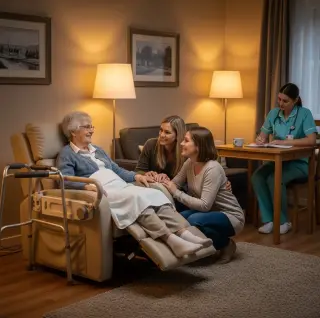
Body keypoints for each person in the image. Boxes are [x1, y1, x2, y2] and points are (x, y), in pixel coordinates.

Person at [57, 111, 213, 258]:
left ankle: (185, 234)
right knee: (137, 198)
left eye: (92, 126)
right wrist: (87, 186)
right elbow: (64, 179)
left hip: (119, 185)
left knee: (154, 194)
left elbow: (117, 170)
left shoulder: (97, 150)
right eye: (87, 127)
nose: (91, 130)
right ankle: (171, 240)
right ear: (73, 131)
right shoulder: (67, 154)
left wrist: (138, 176)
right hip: (103, 190)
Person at [162, 126, 245, 263]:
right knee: (179, 219)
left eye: (186, 141)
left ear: (198, 147)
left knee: (194, 219)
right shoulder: (190, 162)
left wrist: (176, 192)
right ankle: (202, 248)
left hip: (230, 215)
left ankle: (226, 244)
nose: (181, 143)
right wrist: (160, 182)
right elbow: (175, 183)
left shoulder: (212, 168)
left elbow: (205, 205)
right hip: (207, 212)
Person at [252, 83, 318, 235]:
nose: (281, 103)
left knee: (273, 179)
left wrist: (284, 142)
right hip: (277, 161)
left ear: (295, 101)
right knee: (257, 177)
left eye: (285, 101)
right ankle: (269, 220)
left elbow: (311, 140)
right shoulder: (274, 113)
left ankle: (283, 221)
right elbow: (262, 136)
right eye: (279, 99)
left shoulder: (304, 114)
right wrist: (260, 140)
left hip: (300, 163)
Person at [135, 115, 232, 191]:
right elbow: (138, 171)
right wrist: (148, 174)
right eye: (160, 130)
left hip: (181, 191)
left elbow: (209, 159)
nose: (161, 135)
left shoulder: (186, 150)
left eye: (167, 132)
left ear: (178, 135)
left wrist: (223, 180)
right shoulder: (151, 144)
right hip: (157, 188)